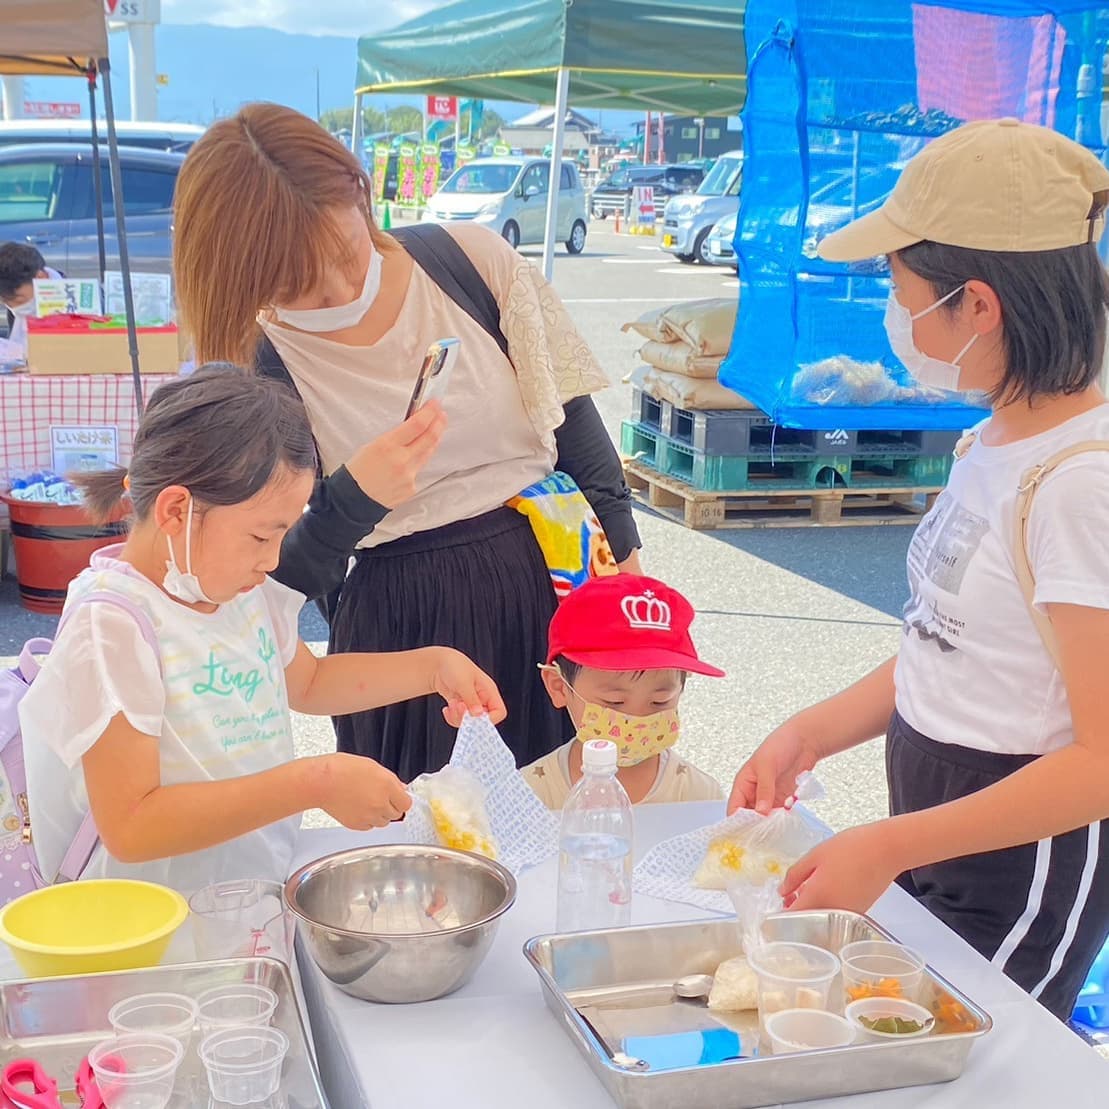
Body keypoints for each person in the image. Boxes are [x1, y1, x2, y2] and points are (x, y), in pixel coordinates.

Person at [729, 119, 1109, 1021]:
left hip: (1022, 855)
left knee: (965, 1053)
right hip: (936, 818)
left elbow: (1098, 762)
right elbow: (946, 643)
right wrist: (810, 731)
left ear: (977, 305)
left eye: (900, 293)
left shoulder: (1078, 485)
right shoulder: (991, 438)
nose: (893, 318)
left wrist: (889, 844)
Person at [172, 103, 643, 783]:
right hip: (400, 622)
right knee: (427, 832)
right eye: (301, 285)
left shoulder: (471, 262)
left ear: (359, 195)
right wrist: (353, 498)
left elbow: (577, 433)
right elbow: (269, 580)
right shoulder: (260, 362)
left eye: (346, 252)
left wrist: (629, 590)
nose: (340, 288)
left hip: (555, 580)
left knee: (571, 806)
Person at [18, 367, 505, 895]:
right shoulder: (111, 626)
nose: (272, 560)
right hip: (150, 918)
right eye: (259, 536)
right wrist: (314, 782)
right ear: (177, 510)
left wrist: (432, 667)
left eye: (283, 535)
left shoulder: (236, 591)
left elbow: (308, 681)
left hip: (245, 897)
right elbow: (131, 826)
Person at [525, 574, 724, 808]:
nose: (637, 719)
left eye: (660, 701)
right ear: (559, 687)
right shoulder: (530, 792)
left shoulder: (698, 795)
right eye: (615, 701)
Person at [0, 242, 62, 356]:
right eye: (6, 302)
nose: (15, 308)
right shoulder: (14, 302)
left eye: (19, 300)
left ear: (40, 278)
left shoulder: (78, 301)